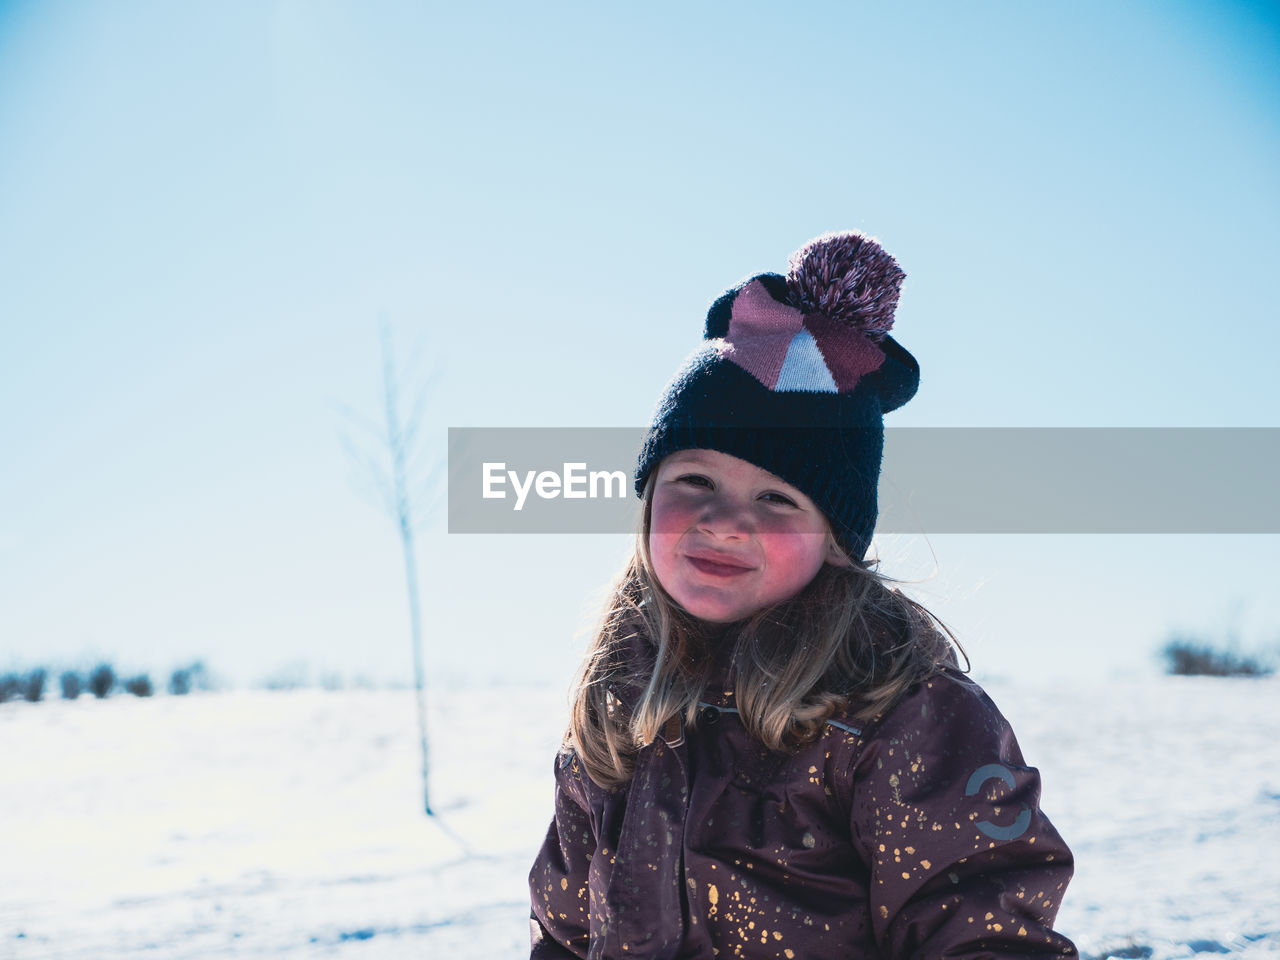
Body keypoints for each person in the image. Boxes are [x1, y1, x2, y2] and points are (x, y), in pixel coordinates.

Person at [528, 231, 1077, 959]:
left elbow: (978, 925)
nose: (724, 522)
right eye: (694, 481)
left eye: (778, 498)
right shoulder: (617, 704)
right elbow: (564, 934)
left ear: (836, 539)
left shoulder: (902, 714)